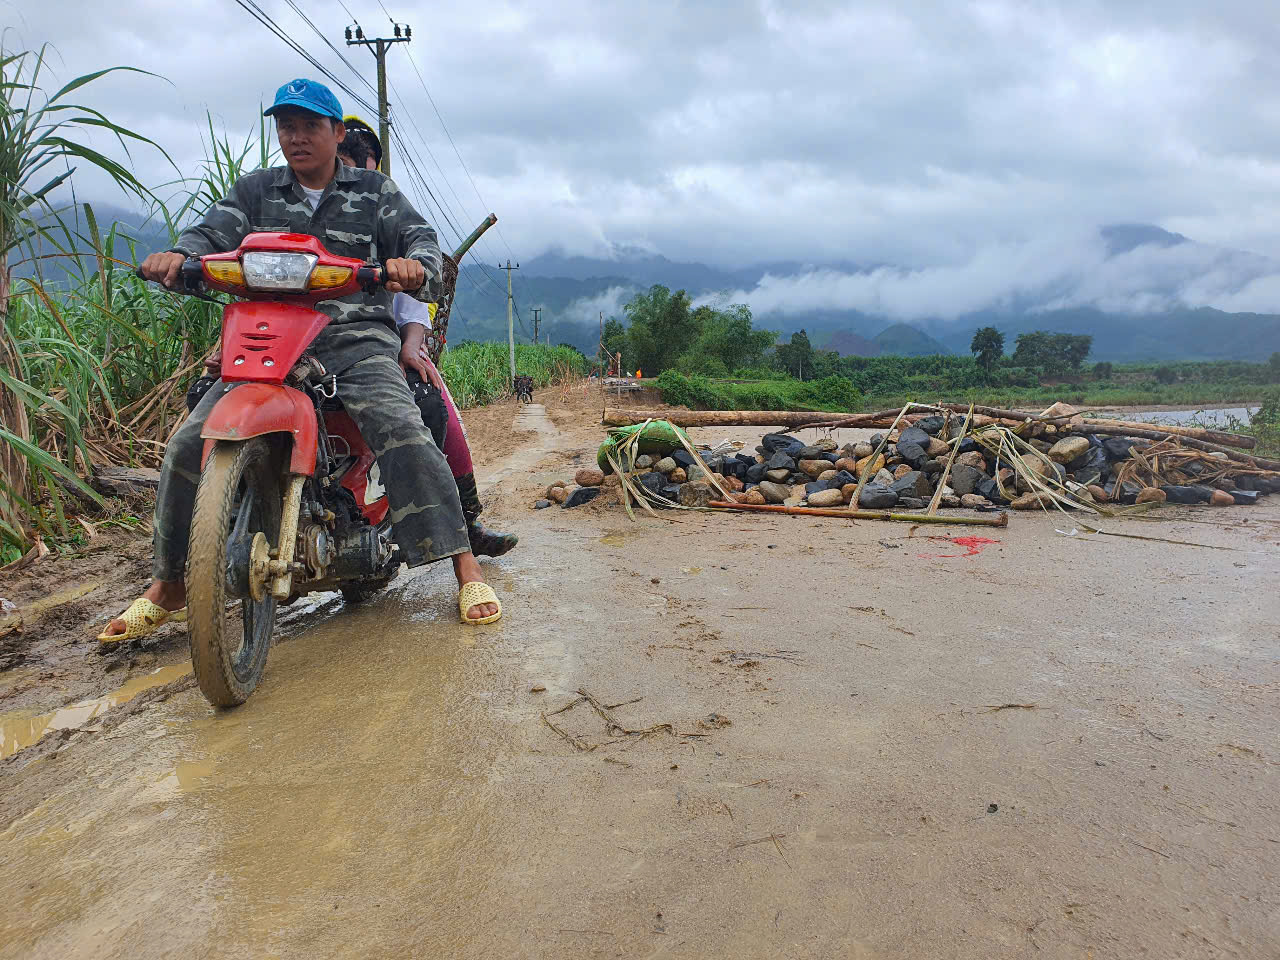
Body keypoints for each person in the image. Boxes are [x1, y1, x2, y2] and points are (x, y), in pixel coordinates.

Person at [100, 78, 501, 643]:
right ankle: (168, 586)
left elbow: (420, 241)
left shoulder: (375, 190)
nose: (296, 137)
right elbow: (209, 233)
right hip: (265, 340)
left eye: (310, 125)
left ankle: (465, 566)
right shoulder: (256, 191)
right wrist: (180, 258)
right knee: (190, 442)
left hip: (353, 338)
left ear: (337, 132)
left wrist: (414, 264)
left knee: (402, 426)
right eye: (286, 126)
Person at [336, 126, 517, 558]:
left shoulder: (383, 221)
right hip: (304, 345)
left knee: (434, 403)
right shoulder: (291, 216)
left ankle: (462, 524)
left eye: (363, 174)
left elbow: (414, 303)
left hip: (375, 345)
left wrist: (410, 347)